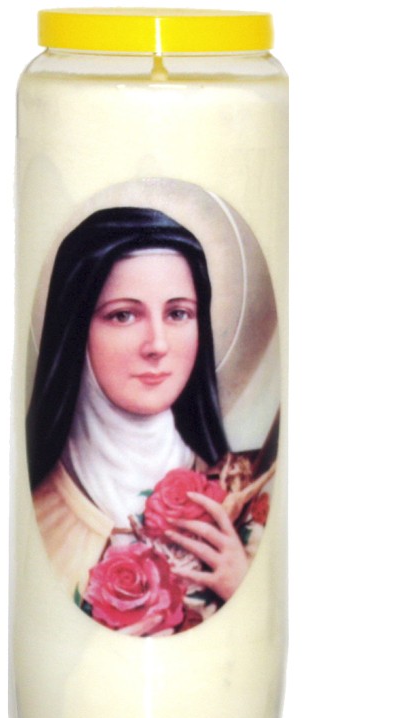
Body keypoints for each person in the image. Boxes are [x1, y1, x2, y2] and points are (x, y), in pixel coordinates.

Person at [27, 207, 273, 607]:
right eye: (123, 315)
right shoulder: (36, 519)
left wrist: (239, 586)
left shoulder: (243, 491)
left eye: (178, 313)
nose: (157, 344)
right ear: (76, 328)